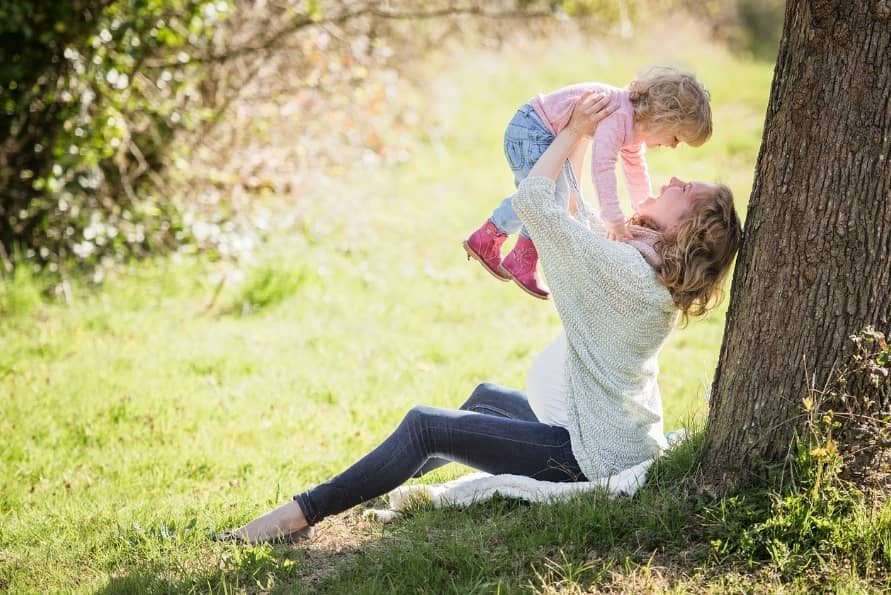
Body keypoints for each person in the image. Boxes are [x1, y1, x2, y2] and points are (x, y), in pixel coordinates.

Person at [222, 92, 741, 544]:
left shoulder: (626, 272)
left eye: (685, 190)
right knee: (484, 398)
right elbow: (578, 217)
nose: (674, 178)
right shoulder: (643, 266)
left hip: (588, 455)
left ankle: (299, 515)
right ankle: (370, 482)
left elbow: (536, 201)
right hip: (602, 432)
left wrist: (571, 133)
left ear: (685, 229)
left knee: (426, 426)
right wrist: (582, 136)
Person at [463, 65, 712, 299]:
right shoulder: (620, 116)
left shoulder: (633, 126)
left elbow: (636, 169)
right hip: (532, 130)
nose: (673, 146)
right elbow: (602, 166)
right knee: (545, 196)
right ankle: (516, 255)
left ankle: (495, 242)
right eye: (676, 138)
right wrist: (613, 219)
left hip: (537, 130)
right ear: (664, 118)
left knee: (546, 196)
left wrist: (643, 207)